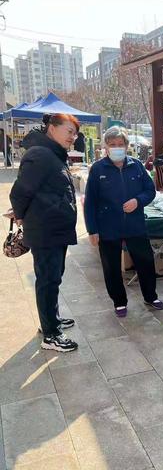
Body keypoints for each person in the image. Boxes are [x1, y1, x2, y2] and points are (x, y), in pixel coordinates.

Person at [10, 113, 79, 352]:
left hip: (54, 228)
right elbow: (20, 192)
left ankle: (50, 320)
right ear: (52, 128)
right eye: (69, 131)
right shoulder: (40, 154)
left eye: (75, 133)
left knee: (53, 278)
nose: (74, 137)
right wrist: (20, 216)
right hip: (45, 230)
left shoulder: (52, 153)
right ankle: (51, 335)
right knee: (48, 280)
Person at [84, 126, 163, 318]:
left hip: (135, 225)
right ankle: (119, 301)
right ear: (105, 147)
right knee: (111, 267)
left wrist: (138, 201)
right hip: (108, 227)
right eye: (112, 145)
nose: (116, 148)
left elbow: (150, 190)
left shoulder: (136, 165)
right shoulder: (98, 169)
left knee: (145, 261)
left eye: (120, 144)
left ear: (127, 146)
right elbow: (90, 202)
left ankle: (150, 296)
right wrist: (92, 230)